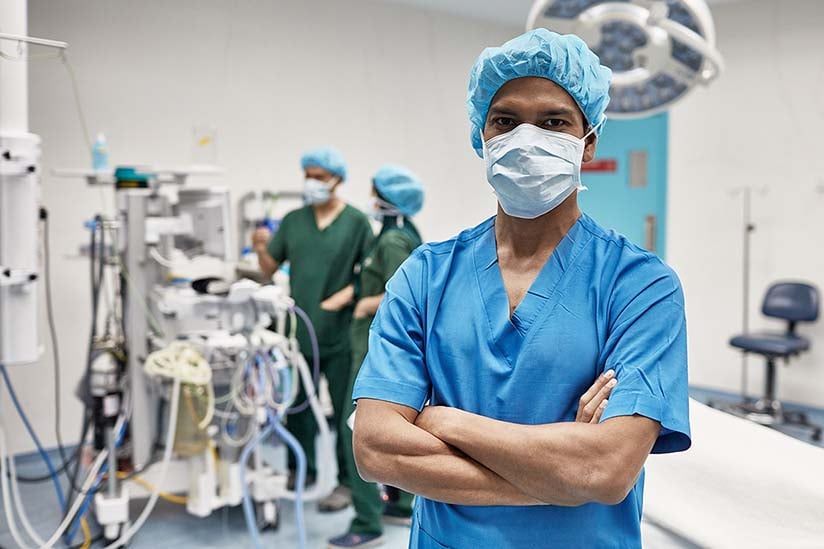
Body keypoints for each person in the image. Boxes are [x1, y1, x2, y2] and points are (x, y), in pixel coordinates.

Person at [351, 29, 691, 549]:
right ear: (482, 137)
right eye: (505, 121)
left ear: (588, 140)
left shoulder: (641, 286)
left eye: (553, 122)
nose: (526, 138)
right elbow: (377, 450)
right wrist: (559, 480)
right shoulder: (425, 276)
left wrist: (446, 421)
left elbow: (606, 469)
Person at [252, 146, 374, 512]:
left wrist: (343, 298)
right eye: (309, 175)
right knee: (297, 407)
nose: (312, 182)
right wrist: (259, 246)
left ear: (336, 179)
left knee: (342, 412)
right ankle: (298, 470)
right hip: (298, 334)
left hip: (339, 335)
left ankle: (345, 483)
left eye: (320, 177)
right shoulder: (293, 221)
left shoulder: (356, 223)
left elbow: (368, 276)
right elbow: (268, 269)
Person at [327, 165, 425, 549]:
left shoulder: (393, 242)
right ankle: (400, 503)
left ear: (388, 198)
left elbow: (406, 296)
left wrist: (365, 301)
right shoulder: (394, 235)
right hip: (375, 347)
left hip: (373, 351)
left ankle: (366, 521)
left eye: (374, 192)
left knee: (355, 431)